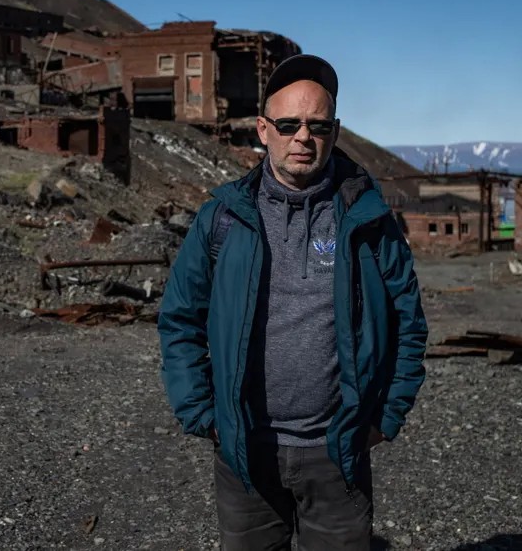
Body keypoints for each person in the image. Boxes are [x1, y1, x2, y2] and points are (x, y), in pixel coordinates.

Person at [158, 54, 427, 550]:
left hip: (337, 452)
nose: (303, 136)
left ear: (335, 131)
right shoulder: (222, 220)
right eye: (288, 124)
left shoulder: (368, 221)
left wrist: (387, 416)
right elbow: (179, 319)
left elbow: (409, 323)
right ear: (264, 130)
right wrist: (201, 413)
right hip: (245, 453)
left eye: (318, 125)